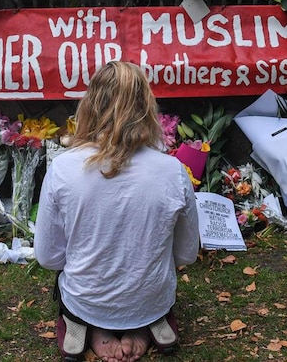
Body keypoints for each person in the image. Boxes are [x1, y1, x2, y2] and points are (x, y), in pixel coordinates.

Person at [35, 61, 201, 362]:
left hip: (86, 300)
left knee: (74, 285)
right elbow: (187, 254)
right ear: (146, 108)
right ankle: (145, 323)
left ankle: (89, 327)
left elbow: (48, 257)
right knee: (149, 280)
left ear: (89, 106)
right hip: (151, 298)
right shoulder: (174, 171)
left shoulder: (62, 168)